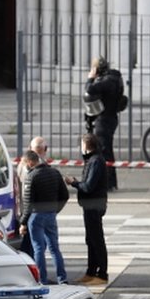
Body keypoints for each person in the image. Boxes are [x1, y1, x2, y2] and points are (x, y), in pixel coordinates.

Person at [18, 150, 69, 285]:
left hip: (36, 217)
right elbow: (65, 195)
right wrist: (55, 210)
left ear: (30, 162)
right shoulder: (55, 173)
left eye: (24, 163)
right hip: (51, 215)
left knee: (38, 248)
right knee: (54, 248)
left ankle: (42, 279)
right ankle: (62, 278)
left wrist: (23, 223)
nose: (24, 166)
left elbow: (28, 204)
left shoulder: (31, 176)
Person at [65, 134, 110, 286]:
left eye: (82, 145)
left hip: (94, 205)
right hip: (89, 205)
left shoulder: (96, 161)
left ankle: (102, 273)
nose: (80, 148)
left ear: (86, 146)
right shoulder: (91, 160)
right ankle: (91, 271)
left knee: (97, 239)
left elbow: (88, 186)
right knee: (90, 239)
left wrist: (74, 183)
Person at [84, 57, 124, 190]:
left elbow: (89, 89)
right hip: (110, 117)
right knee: (107, 151)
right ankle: (111, 182)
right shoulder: (114, 78)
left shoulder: (107, 81)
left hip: (104, 119)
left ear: (96, 69)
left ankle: (108, 183)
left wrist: (90, 77)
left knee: (104, 152)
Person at [14, 136, 49, 258]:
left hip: (35, 212)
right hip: (30, 212)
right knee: (34, 245)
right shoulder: (25, 167)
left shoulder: (43, 167)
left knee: (36, 245)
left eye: (40, 151)